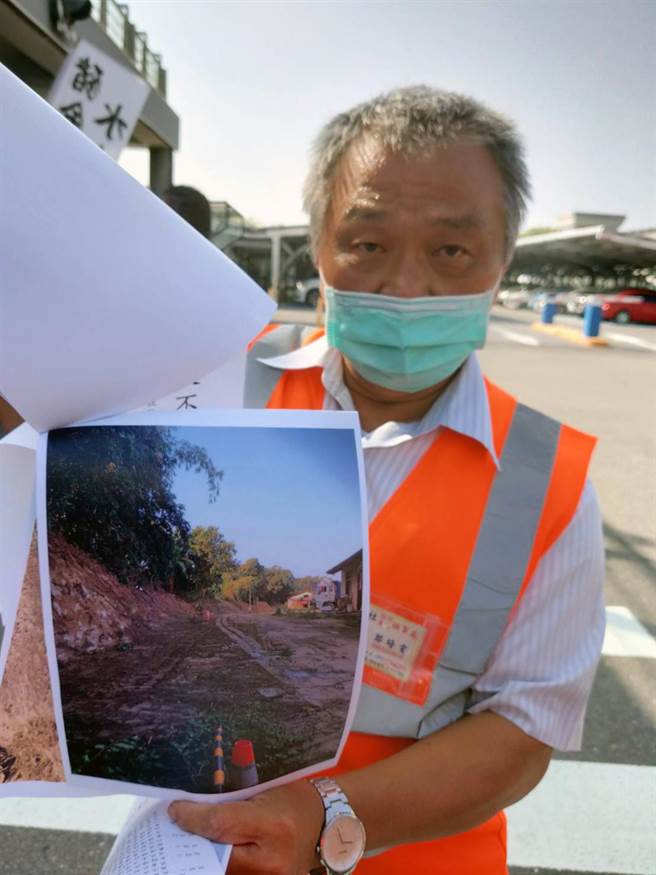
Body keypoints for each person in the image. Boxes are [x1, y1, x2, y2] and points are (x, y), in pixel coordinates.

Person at [169, 86, 605, 875]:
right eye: (366, 243)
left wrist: (326, 816)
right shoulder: (216, 377)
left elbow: (522, 730)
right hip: (186, 849)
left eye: (450, 251)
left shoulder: (548, 482)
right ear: (319, 246)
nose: (405, 287)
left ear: (503, 258)